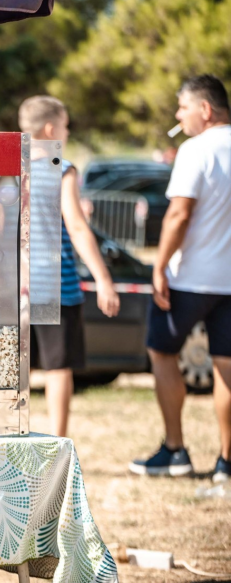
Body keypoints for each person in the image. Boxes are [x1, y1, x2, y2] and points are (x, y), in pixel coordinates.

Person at [130, 74, 231, 483]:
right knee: (227, 366)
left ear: (204, 110)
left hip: (190, 278)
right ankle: (226, 463)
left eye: (182, 107)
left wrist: (159, 266)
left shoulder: (196, 149)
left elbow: (178, 214)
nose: (178, 115)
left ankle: (176, 451)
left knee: (162, 353)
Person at [19, 96, 120, 438]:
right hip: (55, 286)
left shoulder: (8, 167)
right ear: (51, 128)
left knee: (16, 367)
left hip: (14, 286)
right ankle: (58, 440)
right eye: (64, 124)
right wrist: (104, 279)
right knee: (58, 367)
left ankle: (14, 436)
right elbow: (76, 227)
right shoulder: (61, 166)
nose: (67, 130)